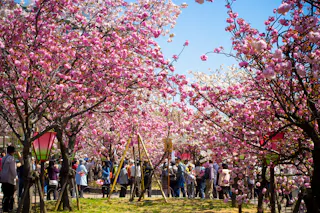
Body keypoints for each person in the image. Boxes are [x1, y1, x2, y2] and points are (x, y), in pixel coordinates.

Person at [1, 146, 17, 212]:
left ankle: (4, 207)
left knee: (5, 194)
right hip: (10, 179)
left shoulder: (4, 158)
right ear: (13, 152)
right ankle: (9, 208)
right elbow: (13, 170)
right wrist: (15, 177)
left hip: (3, 178)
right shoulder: (11, 159)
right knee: (10, 195)